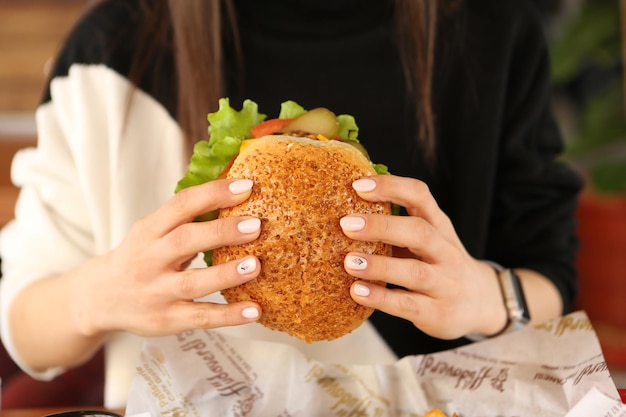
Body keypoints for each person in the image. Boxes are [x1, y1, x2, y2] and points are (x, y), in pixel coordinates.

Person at [0, 0, 582, 409]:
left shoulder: (492, 29)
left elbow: (552, 274)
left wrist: (489, 298)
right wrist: (96, 295)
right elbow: (25, 328)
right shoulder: (112, 48)